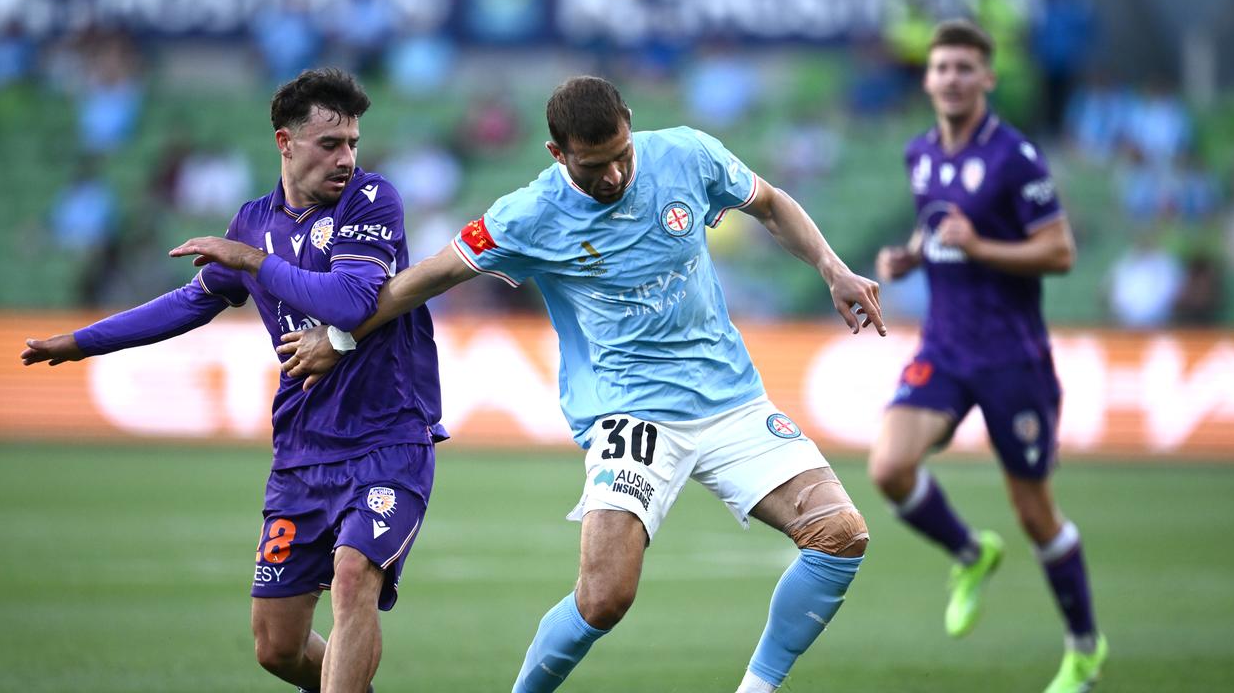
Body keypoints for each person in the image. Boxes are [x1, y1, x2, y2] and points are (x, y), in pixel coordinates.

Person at [261, 75, 884, 693]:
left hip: (732, 399)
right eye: (594, 167)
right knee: (605, 598)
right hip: (630, 414)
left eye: (621, 155)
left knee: (840, 536)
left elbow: (771, 204)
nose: (613, 176)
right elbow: (429, 276)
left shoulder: (689, 153)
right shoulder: (528, 215)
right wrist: (339, 336)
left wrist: (833, 268)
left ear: (631, 125)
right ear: (557, 155)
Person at [21, 68, 445, 693]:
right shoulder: (253, 222)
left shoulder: (370, 200)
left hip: (388, 438)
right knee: (277, 647)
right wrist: (84, 342)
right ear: (285, 142)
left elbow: (351, 302)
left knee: (354, 576)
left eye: (353, 142)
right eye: (330, 144)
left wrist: (252, 262)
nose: (346, 158)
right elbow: (190, 302)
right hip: (303, 449)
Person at [871, 20, 1106, 693]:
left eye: (964, 68)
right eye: (941, 67)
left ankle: (1083, 649)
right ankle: (970, 554)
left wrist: (981, 249)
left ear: (987, 78)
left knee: (1035, 514)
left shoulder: (1016, 158)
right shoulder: (920, 155)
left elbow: (1060, 252)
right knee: (889, 466)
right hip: (944, 347)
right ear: (927, 77)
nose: (951, 78)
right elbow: (939, 223)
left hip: (1012, 357)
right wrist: (913, 254)